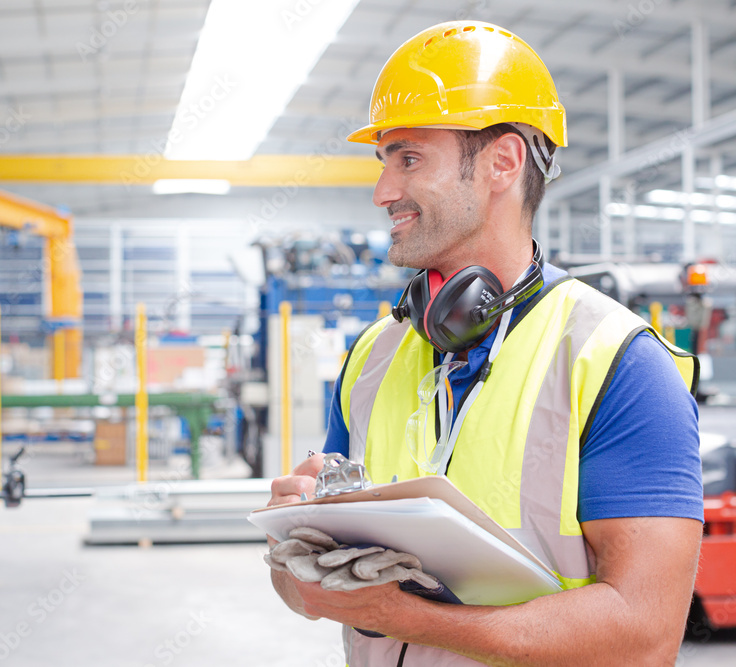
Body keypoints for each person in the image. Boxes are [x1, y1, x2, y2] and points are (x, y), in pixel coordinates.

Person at [267, 20, 704, 666]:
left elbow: (643, 636)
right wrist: (293, 546)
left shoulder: (618, 364)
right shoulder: (373, 357)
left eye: (408, 158)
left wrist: (406, 617)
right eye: (384, 160)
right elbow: (304, 595)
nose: (383, 191)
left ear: (503, 163)